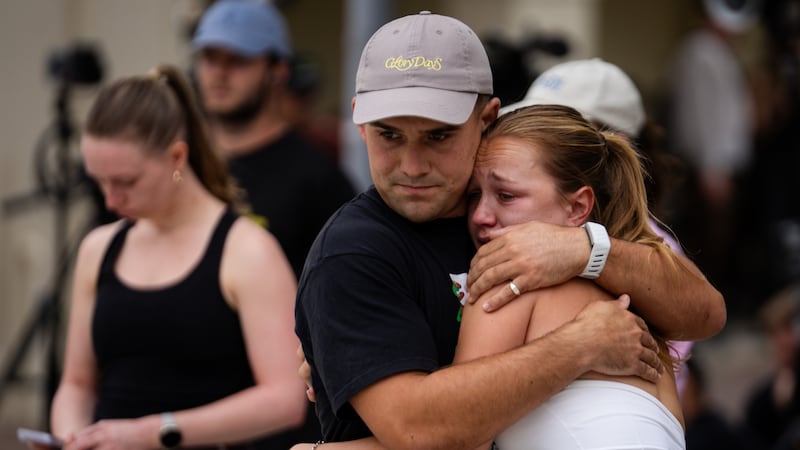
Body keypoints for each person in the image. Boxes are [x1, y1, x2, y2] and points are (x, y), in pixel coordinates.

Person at [294, 11, 726, 449]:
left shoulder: (536, 218)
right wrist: (581, 345)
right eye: (389, 135)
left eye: (438, 136)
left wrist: (585, 250)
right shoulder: (354, 251)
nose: (413, 166)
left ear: (486, 120)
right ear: (359, 123)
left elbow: (706, 314)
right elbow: (422, 433)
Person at [46, 65, 307, 450]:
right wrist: (71, 437)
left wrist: (151, 433)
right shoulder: (98, 248)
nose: (110, 200)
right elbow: (77, 384)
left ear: (177, 157)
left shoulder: (248, 251)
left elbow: (286, 399)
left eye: (126, 181)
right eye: (99, 182)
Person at [500, 57, 694, 396]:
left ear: (613, 144)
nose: (532, 139)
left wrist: (587, 250)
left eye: (555, 132)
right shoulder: (514, 219)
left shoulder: (655, 246)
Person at [191, 0, 356, 277]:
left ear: (278, 71)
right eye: (209, 58)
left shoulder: (319, 180)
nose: (219, 73)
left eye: (238, 59)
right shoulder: (179, 162)